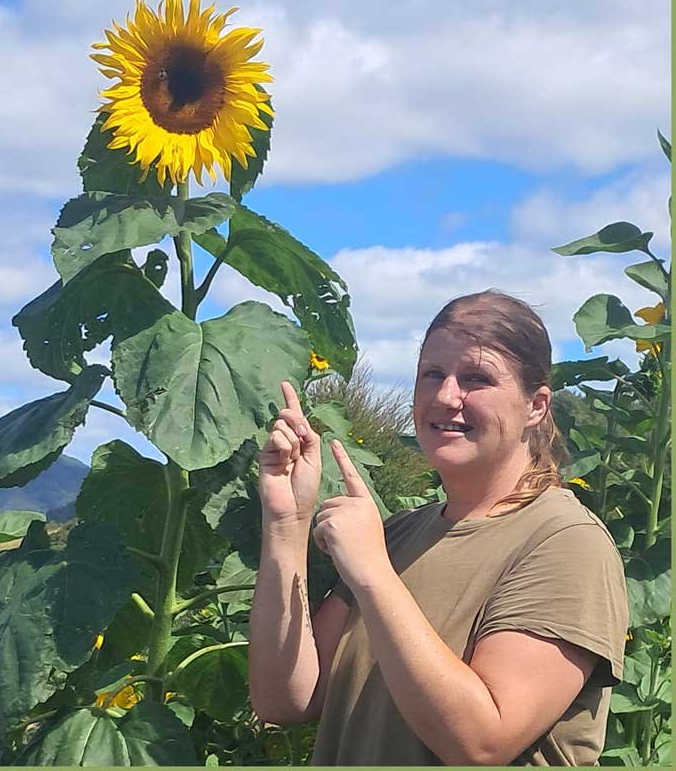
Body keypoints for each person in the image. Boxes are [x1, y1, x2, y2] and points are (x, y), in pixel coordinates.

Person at [248, 290, 628, 766]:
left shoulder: (564, 543)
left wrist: (371, 571)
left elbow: (481, 743)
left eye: (476, 378)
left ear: (536, 405)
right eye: (432, 374)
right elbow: (286, 700)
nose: (446, 397)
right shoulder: (399, 535)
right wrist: (287, 524)